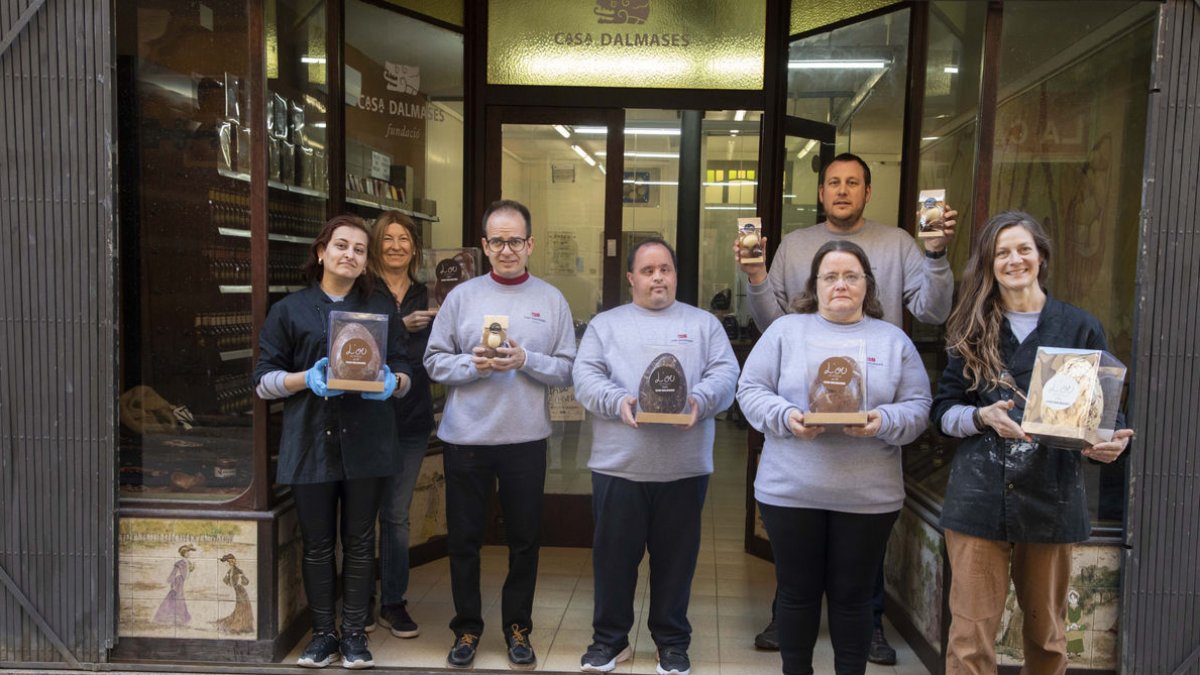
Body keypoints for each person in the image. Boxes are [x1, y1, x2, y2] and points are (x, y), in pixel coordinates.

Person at [736, 152, 957, 661]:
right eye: (830, 277)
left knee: (855, 601)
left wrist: (884, 422)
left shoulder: (892, 334)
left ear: (867, 285)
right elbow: (752, 390)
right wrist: (786, 418)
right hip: (792, 485)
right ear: (812, 286)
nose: (841, 284)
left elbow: (918, 404)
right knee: (795, 596)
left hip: (868, 491)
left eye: (852, 277)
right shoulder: (789, 324)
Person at [930, 211, 1132, 675]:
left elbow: (1105, 417)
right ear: (988, 264)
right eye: (1001, 252)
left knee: (1047, 636)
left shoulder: (1080, 327)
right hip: (978, 498)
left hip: (1052, 495)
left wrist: (1106, 444)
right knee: (970, 637)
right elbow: (941, 412)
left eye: (1023, 249)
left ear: (1042, 256)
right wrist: (981, 417)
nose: (1014, 260)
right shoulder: (971, 326)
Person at [572, 238, 739, 675]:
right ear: (631, 278)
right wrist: (617, 400)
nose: (657, 277)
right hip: (618, 465)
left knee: (676, 562)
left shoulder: (704, 325)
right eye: (647, 270)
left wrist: (700, 400)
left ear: (676, 275)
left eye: (665, 268)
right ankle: (609, 641)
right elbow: (585, 376)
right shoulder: (606, 325)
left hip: (683, 469)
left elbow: (726, 373)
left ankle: (671, 643)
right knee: (613, 560)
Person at [255, 214, 412, 670]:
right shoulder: (289, 310)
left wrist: (392, 380)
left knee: (361, 542)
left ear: (366, 263)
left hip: (369, 442)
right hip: (310, 443)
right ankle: (323, 635)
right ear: (321, 252)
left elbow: (407, 372)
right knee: (318, 544)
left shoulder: (381, 310)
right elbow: (262, 380)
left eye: (360, 250)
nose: (350, 255)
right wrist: (306, 378)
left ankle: (354, 636)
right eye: (341, 245)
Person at [424, 199, 576, 670]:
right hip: (466, 439)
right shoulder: (461, 297)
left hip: (525, 440)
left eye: (515, 241)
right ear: (485, 247)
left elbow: (569, 369)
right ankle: (467, 627)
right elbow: (433, 360)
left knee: (525, 540)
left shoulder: (551, 300)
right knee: (464, 540)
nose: (507, 249)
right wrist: (473, 363)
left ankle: (518, 628)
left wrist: (524, 360)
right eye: (497, 241)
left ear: (529, 244)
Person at [366, 211, 437, 639]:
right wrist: (400, 327)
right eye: (387, 238)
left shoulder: (429, 295)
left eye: (404, 238)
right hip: (365, 419)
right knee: (359, 515)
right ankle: (361, 601)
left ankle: (393, 602)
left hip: (411, 419)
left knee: (395, 515)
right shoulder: (363, 290)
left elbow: (438, 353)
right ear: (377, 245)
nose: (395, 245)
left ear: (414, 247)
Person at [153, 544, 196, 626]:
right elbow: (174, 574)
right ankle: (173, 617)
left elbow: (187, 574)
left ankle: (180, 618)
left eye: (189, 552)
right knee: (177, 598)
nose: (189, 554)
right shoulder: (179, 563)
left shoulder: (188, 562)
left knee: (178, 598)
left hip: (183, 582)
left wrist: (191, 569)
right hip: (178, 582)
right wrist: (172, 583)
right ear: (184, 553)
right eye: (187, 552)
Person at [213, 554, 254, 634]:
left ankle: (244, 626)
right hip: (236, 590)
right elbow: (225, 580)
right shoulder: (230, 571)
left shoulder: (239, 571)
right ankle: (240, 625)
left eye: (232, 561)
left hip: (241, 591)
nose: (231, 562)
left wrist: (241, 578)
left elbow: (246, 582)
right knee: (239, 607)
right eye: (229, 562)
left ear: (234, 560)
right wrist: (230, 584)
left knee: (243, 607)